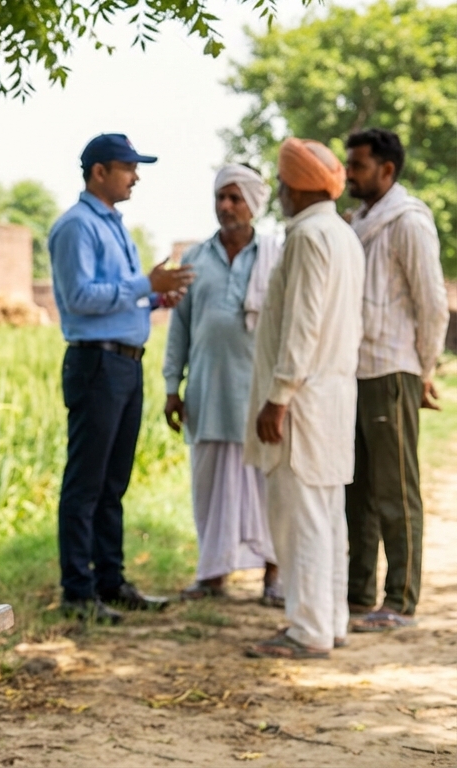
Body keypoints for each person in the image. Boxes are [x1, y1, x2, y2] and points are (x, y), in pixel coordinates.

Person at [49, 133, 195, 623]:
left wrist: (155, 298)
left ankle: (110, 581)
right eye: (128, 167)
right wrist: (143, 285)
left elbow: (119, 296)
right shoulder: (75, 227)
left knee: (114, 481)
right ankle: (77, 591)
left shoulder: (114, 226)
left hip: (126, 363)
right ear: (99, 172)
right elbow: (79, 298)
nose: (136, 176)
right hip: (97, 364)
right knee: (86, 481)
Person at [244, 138, 364, 660]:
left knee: (302, 519)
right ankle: (328, 621)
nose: (280, 193)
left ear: (297, 186)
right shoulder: (341, 233)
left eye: (282, 183)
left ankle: (307, 630)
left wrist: (279, 395)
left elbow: (303, 324)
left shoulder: (309, 236)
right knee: (326, 515)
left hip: (304, 400)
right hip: (330, 396)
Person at [163, 165, 282, 605]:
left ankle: (275, 575)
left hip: (261, 396)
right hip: (208, 394)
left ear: (253, 203)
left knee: (267, 485)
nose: (225, 206)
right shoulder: (195, 257)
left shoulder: (276, 253)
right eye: (220, 197)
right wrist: (172, 386)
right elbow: (180, 329)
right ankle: (212, 575)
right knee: (209, 487)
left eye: (234, 197)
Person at [343, 128, 447, 633]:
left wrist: (422, 371)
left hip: (393, 369)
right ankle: (358, 594)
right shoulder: (357, 222)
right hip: (354, 372)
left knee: (395, 491)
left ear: (387, 170)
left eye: (358, 165)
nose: (348, 174)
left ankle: (400, 600)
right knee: (356, 489)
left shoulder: (408, 221)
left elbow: (431, 305)